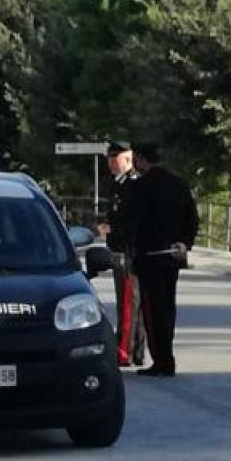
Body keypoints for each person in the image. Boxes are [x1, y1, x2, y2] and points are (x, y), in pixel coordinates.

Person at [124, 142, 199, 377]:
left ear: (141, 159)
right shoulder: (179, 184)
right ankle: (167, 356)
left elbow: (132, 222)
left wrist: (129, 249)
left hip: (149, 258)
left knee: (153, 312)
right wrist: (184, 243)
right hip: (173, 256)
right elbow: (192, 219)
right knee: (167, 308)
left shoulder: (139, 188)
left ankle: (162, 360)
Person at [96, 140, 146, 367]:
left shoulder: (134, 184)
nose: (111, 164)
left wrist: (113, 229)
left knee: (129, 301)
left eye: (114, 160)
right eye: (109, 160)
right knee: (128, 300)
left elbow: (136, 221)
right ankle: (135, 348)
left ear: (127, 158)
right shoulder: (119, 184)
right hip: (120, 249)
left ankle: (124, 349)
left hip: (129, 251)